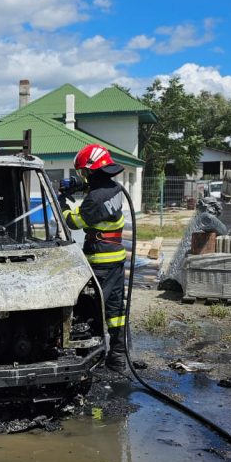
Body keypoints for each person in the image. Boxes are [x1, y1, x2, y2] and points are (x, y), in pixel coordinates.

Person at [60, 145, 127, 374]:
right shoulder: (115, 188)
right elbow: (98, 194)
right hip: (116, 258)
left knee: (92, 309)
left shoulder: (95, 198)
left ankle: (92, 358)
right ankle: (118, 358)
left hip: (100, 260)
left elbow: (74, 222)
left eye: (84, 173)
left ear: (91, 170)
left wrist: (62, 205)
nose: (82, 176)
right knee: (116, 311)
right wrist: (82, 187)